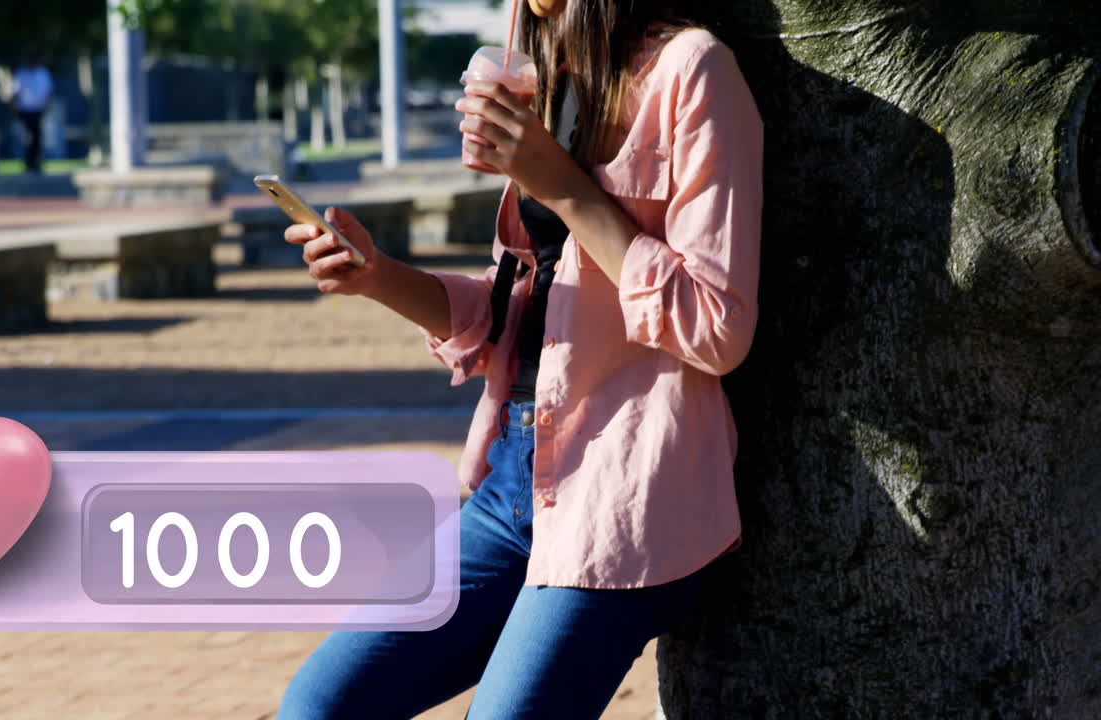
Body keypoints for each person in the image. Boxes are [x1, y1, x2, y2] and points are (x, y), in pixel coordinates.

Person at [276, 0, 764, 716]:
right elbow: (518, 307)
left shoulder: (692, 71)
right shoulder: (552, 79)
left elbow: (718, 327)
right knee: (319, 704)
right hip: (514, 482)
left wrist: (562, 184)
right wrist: (377, 276)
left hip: (623, 491)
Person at [11, 54, 53, 173]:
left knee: (37, 137)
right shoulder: (21, 74)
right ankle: (29, 162)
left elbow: (47, 92)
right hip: (24, 110)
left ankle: (36, 161)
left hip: (38, 110)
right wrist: (14, 108)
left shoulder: (43, 73)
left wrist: (46, 106)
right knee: (29, 137)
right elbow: (15, 93)